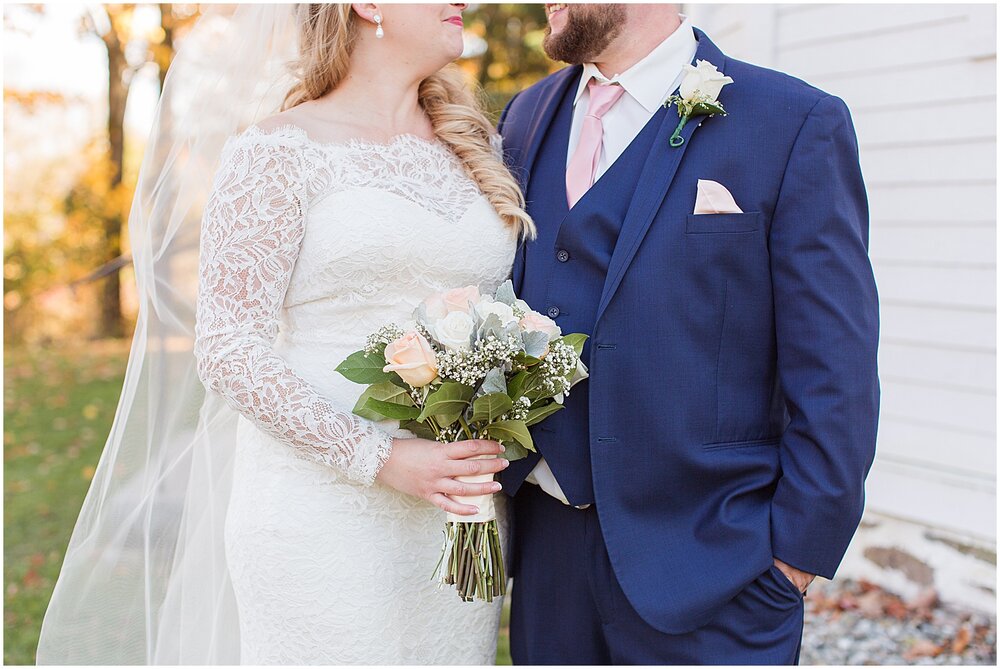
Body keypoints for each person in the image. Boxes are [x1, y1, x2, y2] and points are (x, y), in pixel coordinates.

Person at [37, 4, 531, 664]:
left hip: (454, 517)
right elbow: (228, 347)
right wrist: (383, 458)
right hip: (322, 512)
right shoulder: (276, 152)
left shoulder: (478, 148)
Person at [497, 3, 880, 664]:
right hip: (547, 546)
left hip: (713, 559)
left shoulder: (792, 122)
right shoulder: (527, 116)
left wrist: (794, 556)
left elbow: (835, 365)